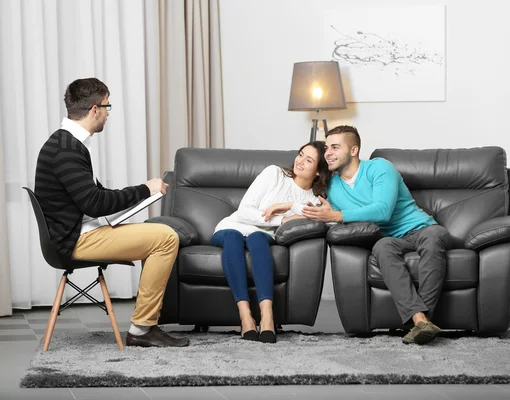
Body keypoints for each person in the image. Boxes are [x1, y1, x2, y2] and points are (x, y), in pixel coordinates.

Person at [34, 77, 189, 348]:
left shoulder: (66, 142)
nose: (107, 113)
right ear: (95, 109)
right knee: (165, 237)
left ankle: (146, 324)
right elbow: (94, 204)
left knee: (159, 233)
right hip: (74, 240)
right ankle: (142, 329)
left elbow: (93, 195)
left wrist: (140, 193)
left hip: (75, 232)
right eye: (107, 106)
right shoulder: (66, 150)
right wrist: (145, 189)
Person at [301, 125, 451, 345]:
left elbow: (383, 210)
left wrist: (336, 215)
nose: (328, 153)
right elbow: (322, 212)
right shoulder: (331, 186)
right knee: (381, 247)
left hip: (423, 228)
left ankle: (423, 321)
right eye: (326, 148)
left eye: (335, 147)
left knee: (431, 239)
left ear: (353, 150)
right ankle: (420, 321)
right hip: (392, 240)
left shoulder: (379, 168)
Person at [211, 141, 331, 344]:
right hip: (232, 226)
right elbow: (244, 211)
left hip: (263, 235)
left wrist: (290, 206)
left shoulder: (314, 200)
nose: (300, 161)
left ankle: (267, 316)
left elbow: (325, 219)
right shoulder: (274, 173)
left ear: (318, 172)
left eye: (308, 160)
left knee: (258, 238)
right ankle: (245, 316)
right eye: (300, 154)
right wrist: (282, 219)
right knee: (233, 236)